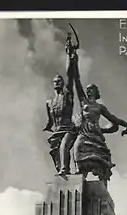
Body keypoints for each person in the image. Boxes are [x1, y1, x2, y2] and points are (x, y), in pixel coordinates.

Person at [72, 52, 127, 181]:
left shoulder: (100, 107)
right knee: (77, 151)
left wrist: (126, 126)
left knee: (100, 158)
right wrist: (74, 61)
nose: (88, 91)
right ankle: (79, 174)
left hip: (96, 135)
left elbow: (114, 119)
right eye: (87, 89)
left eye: (91, 89)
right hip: (84, 133)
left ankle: (102, 170)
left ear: (96, 92)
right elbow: (76, 81)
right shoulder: (83, 102)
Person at [43, 37, 78, 176]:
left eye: (59, 81)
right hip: (56, 132)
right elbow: (50, 120)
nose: (57, 83)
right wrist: (48, 126)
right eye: (55, 81)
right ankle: (62, 170)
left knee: (64, 147)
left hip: (68, 129)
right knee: (55, 154)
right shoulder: (49, 102)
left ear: (63, 84)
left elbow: (70, 74)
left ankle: (65, 170)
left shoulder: (68, 95)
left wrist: (69, 55)